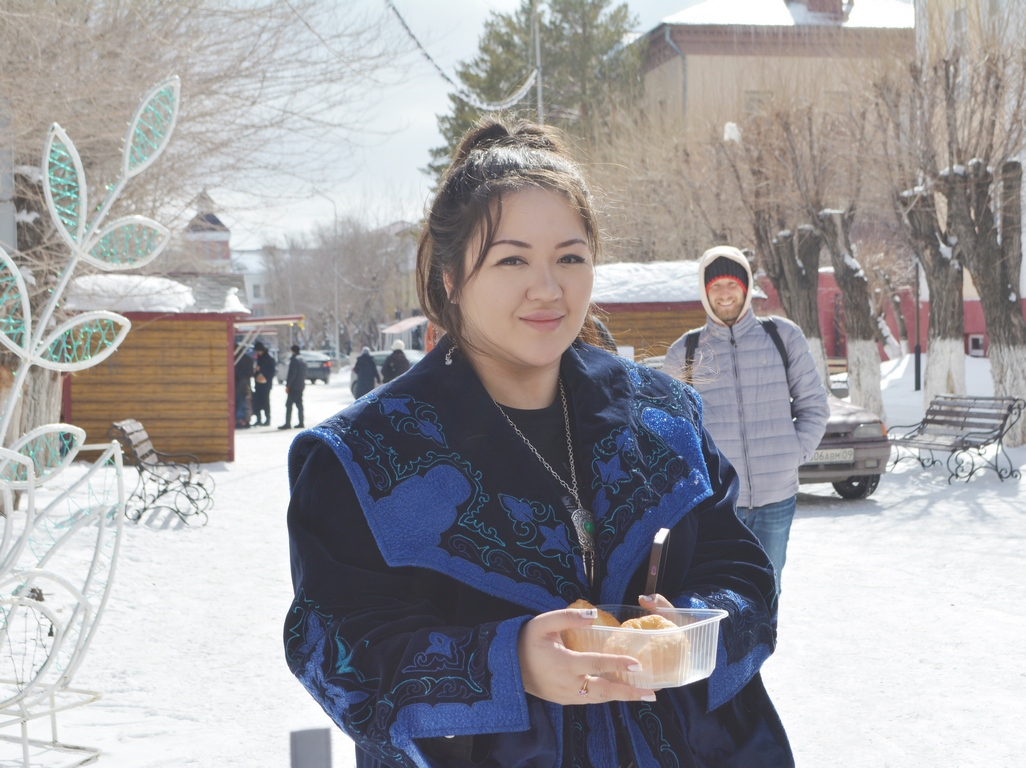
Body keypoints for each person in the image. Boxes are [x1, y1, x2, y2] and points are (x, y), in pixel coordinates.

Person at [285, 119, 792, 768]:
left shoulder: (665, 416)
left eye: (570, 257)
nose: (548, 288)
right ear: (448, 278)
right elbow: (335, 644)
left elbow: (742, 571)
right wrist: (508, 663)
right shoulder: (365, 455)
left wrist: (695, 628)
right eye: (512, 259)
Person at [664, 246, 829, 595]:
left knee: (767, 592)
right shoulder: (686, 351)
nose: (725, 293)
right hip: (720, 505)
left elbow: (814, 404)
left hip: (776, 497)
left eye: (732, 283)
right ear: (705, 292)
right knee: (721, 594)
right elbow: (672, 430)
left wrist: (791, 456)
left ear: (747, 286)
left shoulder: (783, 337)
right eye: (715, 286)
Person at [279, 345, 307, 430]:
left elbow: (292, 374)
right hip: (301, 385)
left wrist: (288, 385)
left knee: (289, 405)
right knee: (299, 405)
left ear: (292, 351)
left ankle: (288, 423)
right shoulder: (303, 359)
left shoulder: (294, 360)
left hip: (294, 387)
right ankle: (301, 422)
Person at [252, 341, 276, 426]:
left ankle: (267, 419)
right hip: (258, 383)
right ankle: (259, 419)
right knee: (257, 401)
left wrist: (261, 370)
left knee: (265, 402)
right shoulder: (260, 357)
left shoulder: (269, 358)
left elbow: (272, 371)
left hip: (266, 384)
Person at [233, 350, 254, 430]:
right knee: (246, 403)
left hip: (238, 383)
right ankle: (246, 420)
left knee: (239, 402)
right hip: (246, 384)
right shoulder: (248, 359)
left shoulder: (236, 359)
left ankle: (240, 420)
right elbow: (251, 372)